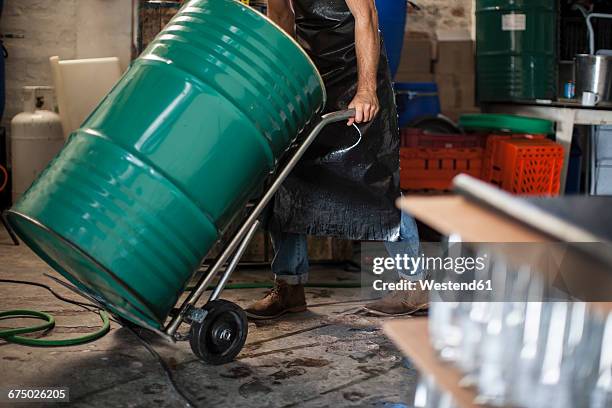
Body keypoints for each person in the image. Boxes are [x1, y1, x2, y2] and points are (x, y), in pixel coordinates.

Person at [245, 0, 427, 319]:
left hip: (355, 69)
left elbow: (366, 16)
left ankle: (416, 286)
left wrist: (367, 89)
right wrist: (283, 82)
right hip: (312, 74)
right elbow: (281, 16)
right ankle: (289, 286)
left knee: (374, 180)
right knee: (286, 177)